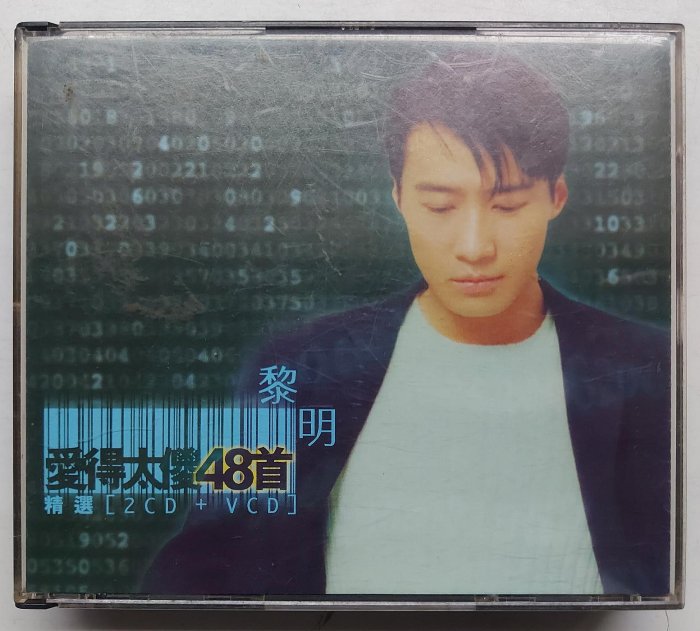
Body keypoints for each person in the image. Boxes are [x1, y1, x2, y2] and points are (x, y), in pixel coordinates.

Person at [142, 52, 671, 597]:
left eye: (508, 206)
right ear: (398, 198)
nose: (474, 247)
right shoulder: (297, 370)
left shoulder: (649, 371)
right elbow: (202, 566)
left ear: (556, 197)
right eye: (440, 207)